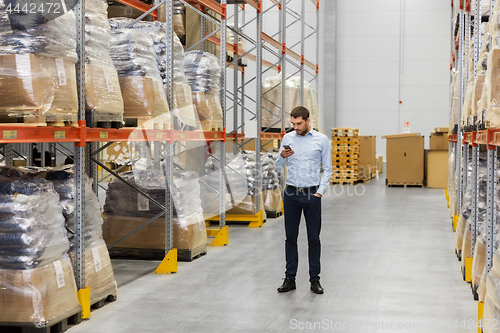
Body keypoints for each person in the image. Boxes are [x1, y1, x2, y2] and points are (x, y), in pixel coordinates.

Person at [274, 106, 332, 294]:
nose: (296, 127)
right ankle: (290, 278)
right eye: (293, 123)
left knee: (313, 239)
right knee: (290, 238)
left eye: (299, 123)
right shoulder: (287, 138)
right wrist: (281, 157)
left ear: (308, 121)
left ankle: (314, 280)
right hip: (290, 194)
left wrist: (320, 192)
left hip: (312, 195)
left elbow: (328, 169)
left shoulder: (321, 140)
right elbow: (278, 166)